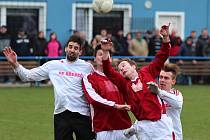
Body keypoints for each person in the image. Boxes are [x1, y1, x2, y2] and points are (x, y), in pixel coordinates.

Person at [3, 35, 95, 140]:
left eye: (76, 48)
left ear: (80, 52)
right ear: (65, 48)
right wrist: (15, 64)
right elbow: (27, 76)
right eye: (70, 46)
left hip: (82, 114)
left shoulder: (87, 67)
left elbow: (98, 86)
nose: (72, 50)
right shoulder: (53, 66)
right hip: (61, 114)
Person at [101, 24, 173, 140]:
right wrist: (105, 51)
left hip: (160, 124)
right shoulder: (124, 84)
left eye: (123, 66)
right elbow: (108, 71)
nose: (122, 69)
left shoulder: (147, 72)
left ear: (133, 66)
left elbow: (162, 56)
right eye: (119, 69)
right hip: (143, 127)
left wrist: (165, 37)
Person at [82, 44, 137, 140]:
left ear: (110, 59)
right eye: (100, 54)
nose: (103, 57)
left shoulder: (119, 77)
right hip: (103, 128)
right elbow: (94, 99)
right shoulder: (89, 78)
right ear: (94, 58)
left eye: (105, 54)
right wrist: (115, 105)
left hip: (124, 125)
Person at [147, 63, 183, 140]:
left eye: (166, 78)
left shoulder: (176, 94)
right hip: (156, 135)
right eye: (161, 77)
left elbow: (178, 104)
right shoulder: (153, 95)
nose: (162, 80)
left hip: (173, 135)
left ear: (173, 81)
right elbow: (146, 113)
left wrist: (159, 92)